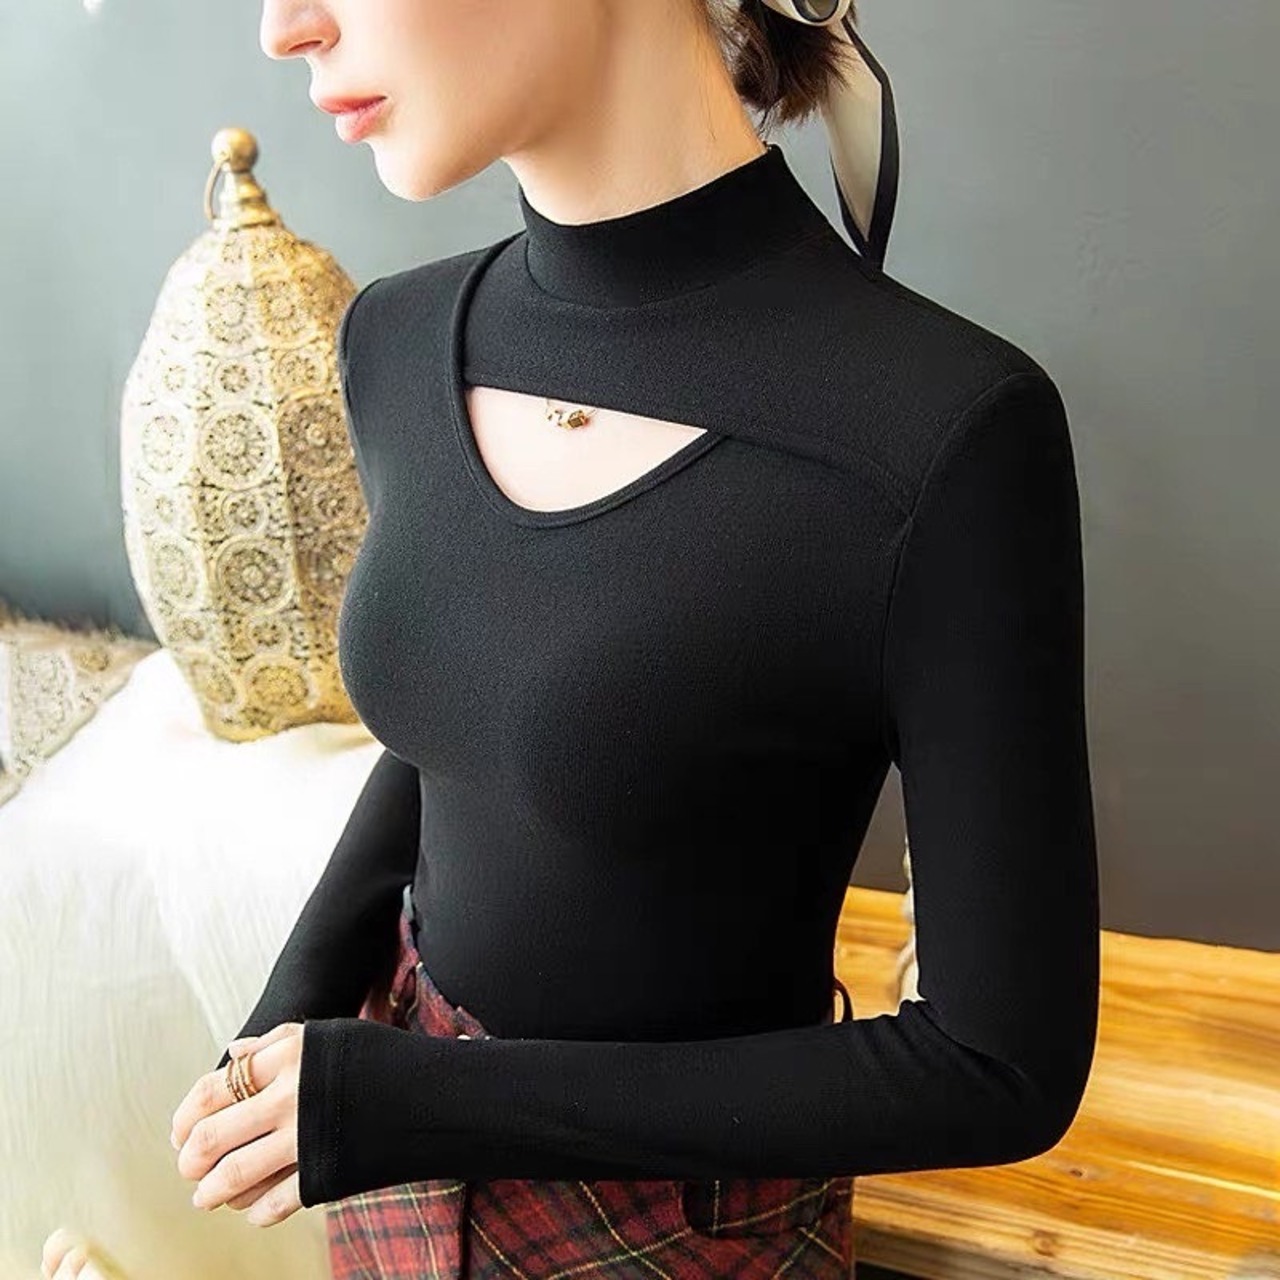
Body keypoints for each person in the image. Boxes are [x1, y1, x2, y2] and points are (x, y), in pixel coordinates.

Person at [157, 0, 1099, 1275]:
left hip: (683, 1234)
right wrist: (294, 1013)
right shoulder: (397, 339)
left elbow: (998, 1067)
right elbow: (465, 728)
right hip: (386, 1191)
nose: (285, 26)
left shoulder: (940, 432)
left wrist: (411, 1100)